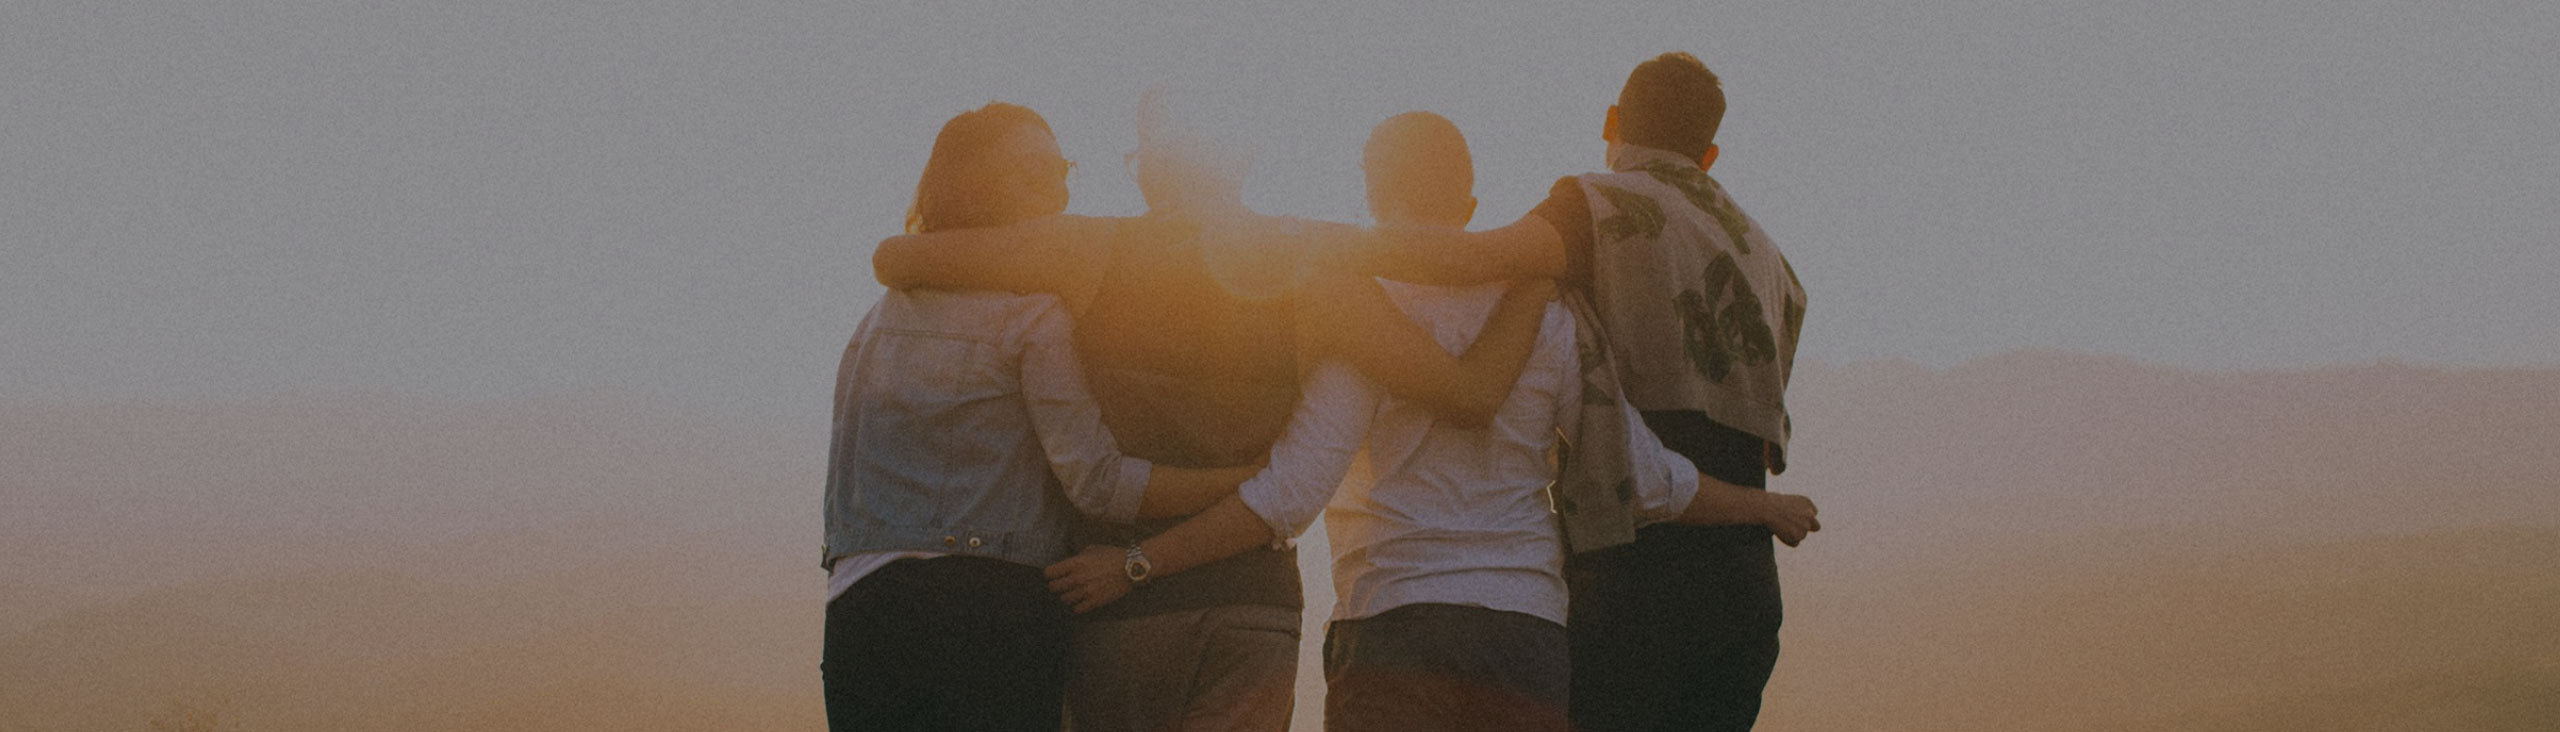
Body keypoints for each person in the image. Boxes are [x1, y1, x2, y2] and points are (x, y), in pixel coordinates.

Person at [1041, 111, 1818, 732]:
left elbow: (1290, 494)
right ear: (1472, 205)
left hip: (1394, 630)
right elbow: (1643, 478)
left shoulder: (1365, 316)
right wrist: (1763, 505)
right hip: (1525, 634)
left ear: (1371, 199)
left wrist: (1139, 563)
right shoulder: (1549, 314)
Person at [870, 90, 1555, 732]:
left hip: (1117, 609)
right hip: (1252, 612)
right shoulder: (1319, 272)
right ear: (1245, 158)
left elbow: (900, 258)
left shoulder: (1084, 249)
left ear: (1146, 169)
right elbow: (1470, 394)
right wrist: (1539, 273)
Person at [1330, 53, 1814, 732]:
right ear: (1708, 153)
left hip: (1632, 583)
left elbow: (1472, 258)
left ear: (1612, 122)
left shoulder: (1599, 206)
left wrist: (1310, 248)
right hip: (1743, 584)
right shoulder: (1771, 261)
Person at [819, 102, 1267, 732]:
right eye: (1032, 176)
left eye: (1062, 170)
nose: (1058, 191)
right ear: (976, 188)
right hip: (991, 614)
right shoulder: (1031, 314)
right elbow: (1099, 483)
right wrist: (1246, 481)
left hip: (859, 612)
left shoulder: (876, 321)